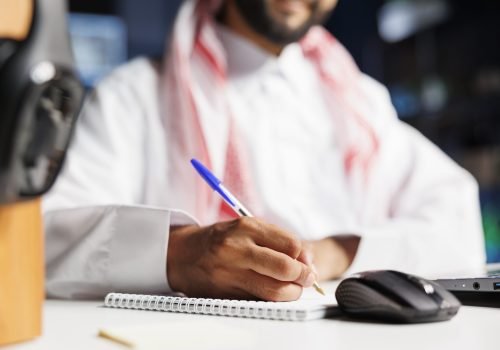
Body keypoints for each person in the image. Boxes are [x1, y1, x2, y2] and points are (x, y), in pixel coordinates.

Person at [43, 0, 486, 301]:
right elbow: (44, 241)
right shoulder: (132, 95)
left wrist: (335, 251)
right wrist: (179, 254)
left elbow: (459, 220)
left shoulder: (360, 101)